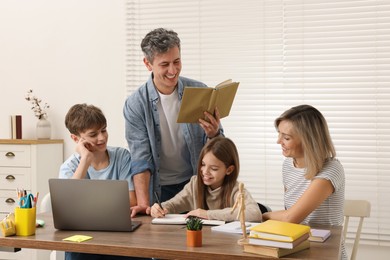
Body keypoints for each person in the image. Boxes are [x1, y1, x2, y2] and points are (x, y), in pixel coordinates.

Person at [123, 28, 223, 217]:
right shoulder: (136, 104)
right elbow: (140, 158)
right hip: (160, 189)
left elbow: (220, 149)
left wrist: (214, 134)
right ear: (148, 64)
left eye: (177, 62)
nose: (173, 70)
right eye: (165, 64)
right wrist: (144, 206)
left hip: (196, 184)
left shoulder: (199, 91)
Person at [59, 104, 146, 260]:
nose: (102, 138)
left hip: (120, 235)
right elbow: (68, 208)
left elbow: (132, 201)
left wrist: (87, 207)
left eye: (104, 130)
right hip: (84, 237)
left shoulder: (122, 156)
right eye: (93, 134)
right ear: (76, 139)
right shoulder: (69, 167)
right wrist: (85, 160)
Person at [262, 104, 346, 259]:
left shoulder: (331, 170)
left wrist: (261, 214)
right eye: (279, 134)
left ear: (308, 140)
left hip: (324, 251)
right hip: (296, 246)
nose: (278, 141)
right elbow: (289, 214)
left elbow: (290, 217)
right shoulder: (288, 165)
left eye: (286, 138)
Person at [150, 136, 262, 223]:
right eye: (203, 165)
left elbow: (255, 214)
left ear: (229, 170)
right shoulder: (194, 184)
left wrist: (207, 214)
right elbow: (173, 205)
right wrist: (159, 208)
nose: (205, 172)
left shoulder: (236, 189)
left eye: (214, 168)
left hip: (225, 244)